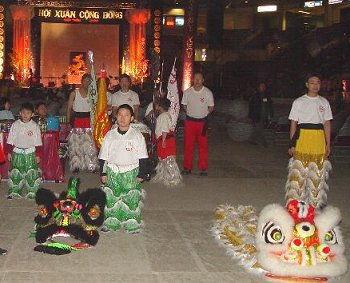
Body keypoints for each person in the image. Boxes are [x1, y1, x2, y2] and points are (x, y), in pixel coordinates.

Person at [99, 104, 150, 233]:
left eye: (126, 115)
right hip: (113, 171)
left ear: (132, 118)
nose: (123, 118)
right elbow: (103, 155)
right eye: (120, 115)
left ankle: (132, 224)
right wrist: (103, 172)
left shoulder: (137, 136)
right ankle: (111, 222)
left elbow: (143, 157)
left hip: (131, 172)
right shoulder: (110, 135)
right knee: (112, 199)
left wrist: (141, 174)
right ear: (116, 117)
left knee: (131, 199)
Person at [286, 73, 333, 209]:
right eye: (312, 82)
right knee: (299, 172)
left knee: (317, 174)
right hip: (303, 137)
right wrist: (292, 143)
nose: (315, 85)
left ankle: (314, 204)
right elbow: (293, 124)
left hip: (318, 139)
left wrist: (328, 144)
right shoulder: (299, 102)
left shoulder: (324, 102)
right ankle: (296, 205)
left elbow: (327, 124)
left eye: (318, 82)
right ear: (307, 84)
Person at [181, 72, 214, 176]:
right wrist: (191, 113)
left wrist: (203, 115)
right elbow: (184, 105)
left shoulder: (208, 93)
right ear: (192, 80)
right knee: (188, 145)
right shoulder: (187, 92)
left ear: (203, 80)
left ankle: (203, 168)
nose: (197, 81)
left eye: (199, 79)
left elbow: (211, 107)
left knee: (203, 146)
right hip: (190, 122)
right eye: (195, 79)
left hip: (202, 123)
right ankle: (187, 167)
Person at [7, 102, 42, 200]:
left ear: (32, 114)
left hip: (30, 153)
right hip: (17, 153)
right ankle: (14, 191)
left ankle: (32, 192)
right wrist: (9, 152)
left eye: (28, 113)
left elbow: (38, 142)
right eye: (23, 113)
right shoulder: (15, 125)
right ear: (19, 113)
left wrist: (38, 155)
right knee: (16, 172)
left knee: (31, 173)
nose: (25, 115)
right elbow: (10, 139)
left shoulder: (34, 126)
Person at [66, 74, 98, 173]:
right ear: (82, 81)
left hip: (89, 120)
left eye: (89, 81)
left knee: (90, 144)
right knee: (76, 144)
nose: (87, 83)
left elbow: (95, 108)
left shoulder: (92, 93)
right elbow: (69, 109)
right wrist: (68, 121)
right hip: (77, 120)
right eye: (86, 80)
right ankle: (76, 165)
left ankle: (92, 165)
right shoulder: (74, 93)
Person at [152, 98, 182, 186]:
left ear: (159, 106)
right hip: (165, 139)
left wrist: (164, 141)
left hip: (165, 139)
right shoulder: (166, 115)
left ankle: (172, 178)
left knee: (167, 159)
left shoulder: (163, 116)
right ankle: (164, 177)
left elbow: (164, 129)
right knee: (164, 159)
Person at [248, 82, 274, 147]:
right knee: (260, 128)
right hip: (257, 115)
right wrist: (251, 116)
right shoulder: (255, 96)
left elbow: (270, 106)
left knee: (258, 128)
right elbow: (251, 107)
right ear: (258, 87)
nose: (263, 87)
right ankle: (264, 142)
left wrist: (271, 115)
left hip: (264, 116)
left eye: (264, 86)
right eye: (261, 86)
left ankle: (252, 140)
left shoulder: (266, 96)